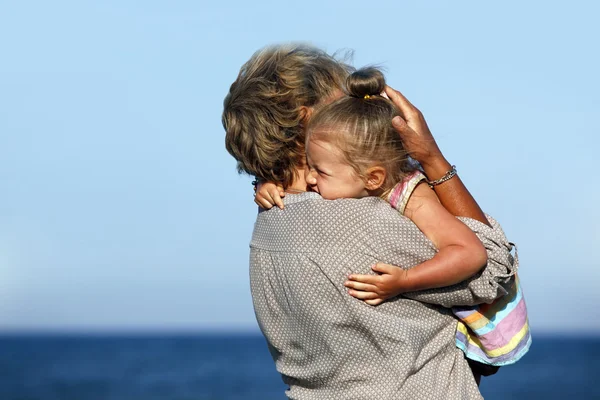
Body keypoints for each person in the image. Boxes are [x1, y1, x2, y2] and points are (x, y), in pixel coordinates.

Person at [223, 44, 517, 398]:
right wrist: (432, 157)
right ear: (306, 118)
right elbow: (493, 272)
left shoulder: (266, 229)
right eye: (343, 99)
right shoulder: (364, 221)